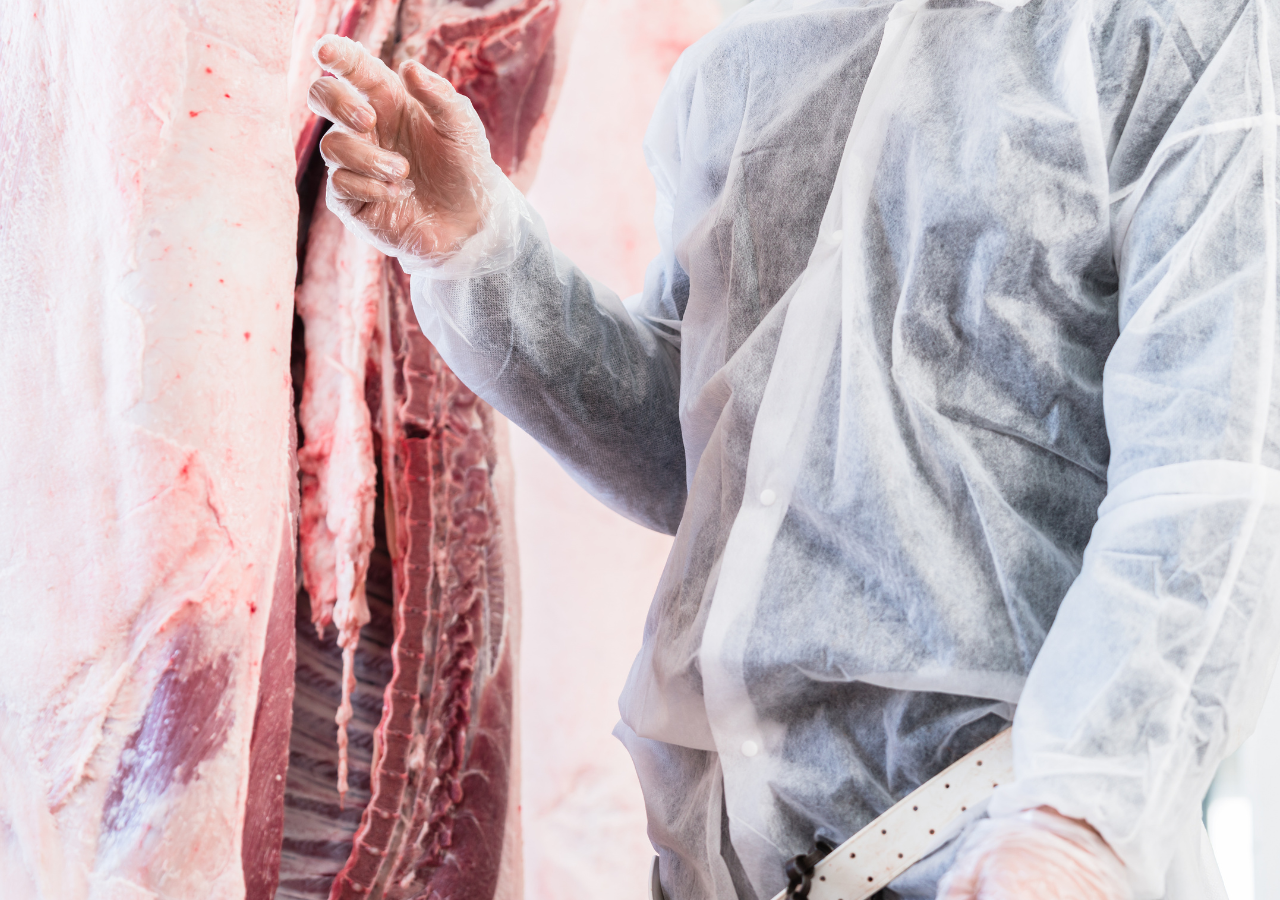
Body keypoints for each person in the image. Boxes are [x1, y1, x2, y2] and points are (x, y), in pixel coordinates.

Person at [305, 0, 1280, 897]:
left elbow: (1213, 477)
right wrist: (481, 252)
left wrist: (1078, 820)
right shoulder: (743, 64)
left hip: (1002, 848)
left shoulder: (1182, 37)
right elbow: (709, 460)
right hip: (723, 860)